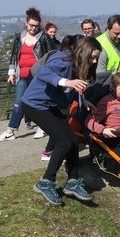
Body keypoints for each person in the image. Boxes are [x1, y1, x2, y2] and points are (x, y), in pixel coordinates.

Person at [21, 36, 102, 206]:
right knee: (64, 142)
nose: (94, 62)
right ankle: (46, 182)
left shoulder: (79, 66)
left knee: (72, 140)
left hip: (51, 106)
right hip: (35, 104)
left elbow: (75, 89)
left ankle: (72, 182)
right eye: (92, 57)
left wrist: (83, 101)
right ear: (83, 52)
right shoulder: (63, 59)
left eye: (96, 58)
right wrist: (66, 82)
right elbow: (42, 72)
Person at [0, 7, 57, 142]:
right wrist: (11, 73)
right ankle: (10, 131)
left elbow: (52, 55)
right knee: (19, 103)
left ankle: (43, 127)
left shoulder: (43, 37)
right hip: (22, 75)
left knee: (39, 103)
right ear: (26, 23)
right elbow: (14, 55)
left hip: (38, 76)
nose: (33, 28)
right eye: (31, 25)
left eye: (36, 26)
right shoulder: (20, 36)